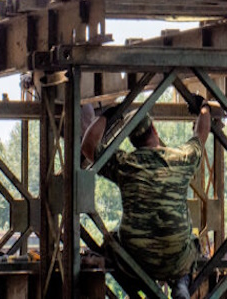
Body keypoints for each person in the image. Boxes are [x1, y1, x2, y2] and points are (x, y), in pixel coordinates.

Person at [82, 105, 211, 299]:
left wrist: (108, 115)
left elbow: (88, 146)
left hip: (135, 260)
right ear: (155, 130)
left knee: (113, 243)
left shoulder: (125, 164)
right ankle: (181, 282)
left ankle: (141, 288)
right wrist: (204, 107)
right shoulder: (182, 159)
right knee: (191, 243)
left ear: (132, 141)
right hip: (176, 257)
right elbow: (201, 134)